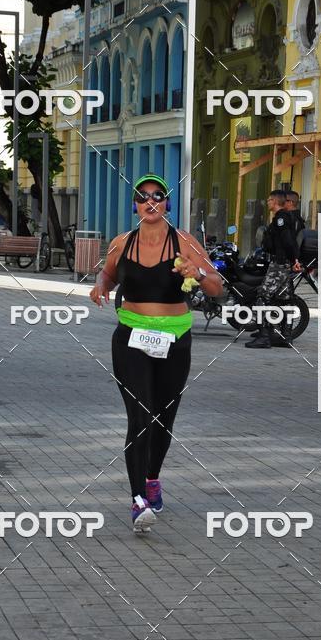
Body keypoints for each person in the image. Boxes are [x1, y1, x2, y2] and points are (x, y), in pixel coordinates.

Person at [89, 173, 223, 533]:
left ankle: (152, 478)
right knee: (140, 415)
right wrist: (100, 285)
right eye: (143, 196)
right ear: (135, 205)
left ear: (167, 203)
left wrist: (197, 272)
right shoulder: (122, 242)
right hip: (131, 336)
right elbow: (109, 274)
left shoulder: (184, 242)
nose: (150, 202)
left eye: (158, 196)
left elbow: (216, 288)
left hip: (174, 338)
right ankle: (137, 501)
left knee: (163, 418)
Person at [246, 189, 301, 349]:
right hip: (285, 263)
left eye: (270, 200)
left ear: (276, 202)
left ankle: (264, 336)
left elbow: (287, 241)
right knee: (285, 299)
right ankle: (286, 336)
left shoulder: (281, 219)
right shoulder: (284, 217)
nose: (268, 202)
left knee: (262, 296)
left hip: (279, 264)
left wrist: (294, 259)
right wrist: (294, 260)